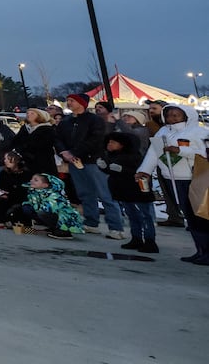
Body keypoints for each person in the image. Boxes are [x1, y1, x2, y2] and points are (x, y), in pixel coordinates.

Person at [138, 103, 208, 264]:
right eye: (168, 115)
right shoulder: (163, 131)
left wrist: (182, 151)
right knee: (190, 218)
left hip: (194, 178)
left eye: (176, 115)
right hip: (172, 179)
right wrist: (145, 171)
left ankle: (207, 251)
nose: (172, 118)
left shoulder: (200, 132)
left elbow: (205, 153)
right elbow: (153, 153)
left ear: (187, 115)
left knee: (200, 217)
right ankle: (201, 250)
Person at [55, 93, 123, 238]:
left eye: (72, 100)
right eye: (68, 100)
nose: (69, 103)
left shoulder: (94, 120)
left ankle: (116, 227)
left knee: (105, 194)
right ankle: (91, 222)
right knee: (85, 193)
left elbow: (96, 139)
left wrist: (73, 152)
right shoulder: (65, 121)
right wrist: (63, 152)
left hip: (93, 160)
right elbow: (58, 138)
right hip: (74, 162)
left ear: (82, 103)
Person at [103, 131, 156, 253]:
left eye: (113, 142)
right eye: (109, 142)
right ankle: (136, 238)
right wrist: (105, 167)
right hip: (124, 191)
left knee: (144, 216)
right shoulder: (113, 155)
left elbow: (137, 172)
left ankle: (149, 240)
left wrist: (122, 170)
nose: (109, 144)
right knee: (132, 216)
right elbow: (113, 171)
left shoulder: (134, 157)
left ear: (123, 145)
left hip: (137, 191)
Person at [10, 173, 86, 239]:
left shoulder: (54, 195)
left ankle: (63, 231)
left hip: (65, 218)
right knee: (25, 207)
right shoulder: (35, 190)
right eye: (32, 179)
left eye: (36, 180)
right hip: (51, 214)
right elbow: (32, 203)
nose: (31, 181)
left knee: (42, 213)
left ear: (45, 185)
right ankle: (43, 227)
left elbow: (50, 209)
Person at [11, 108, 57, 181]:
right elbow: (16, 142)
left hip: (43, 163)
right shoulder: (25, 128)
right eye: (27, 113)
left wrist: (25, 146)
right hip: (26, 162)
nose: (28, 115)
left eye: (32, 113)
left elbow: (41, 145)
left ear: (40, 116)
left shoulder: (47, 129)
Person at [0, 150, 31, 223]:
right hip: (8, 196)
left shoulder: (26, 173)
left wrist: (10, 191)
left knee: (21, 225)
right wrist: (1, 192)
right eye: (5, 159)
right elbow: (2, 186)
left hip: (21, 198)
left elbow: (24, 188)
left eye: (7, 158)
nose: (5, 161)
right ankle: (0, 221)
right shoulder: (4, 172)